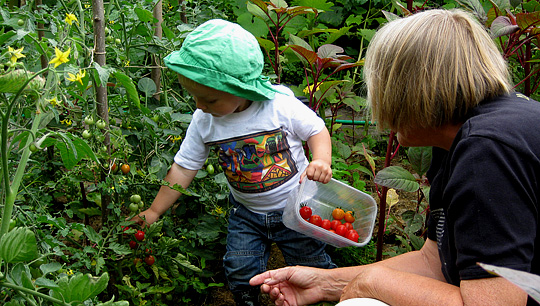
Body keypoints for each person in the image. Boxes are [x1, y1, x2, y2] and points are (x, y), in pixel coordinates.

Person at [249, 8, 539, 306]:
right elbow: (433, 261)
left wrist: (372, 284)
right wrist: (326, 282)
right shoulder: (462, 136)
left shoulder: (487, 150)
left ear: (410, 90)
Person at [131, 19, 337, 306]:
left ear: (242, 88)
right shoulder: (204, 120)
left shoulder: (278, 104)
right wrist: (154, 210)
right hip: (247, 213)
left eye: (210, 99)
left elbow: (315, 130)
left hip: (296, 209)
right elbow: (183, 166)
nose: (200, 105)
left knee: (311, 264)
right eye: (195, 97)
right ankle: (247, 299)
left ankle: (329, 296)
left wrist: (321, 159)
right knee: (240, 269)